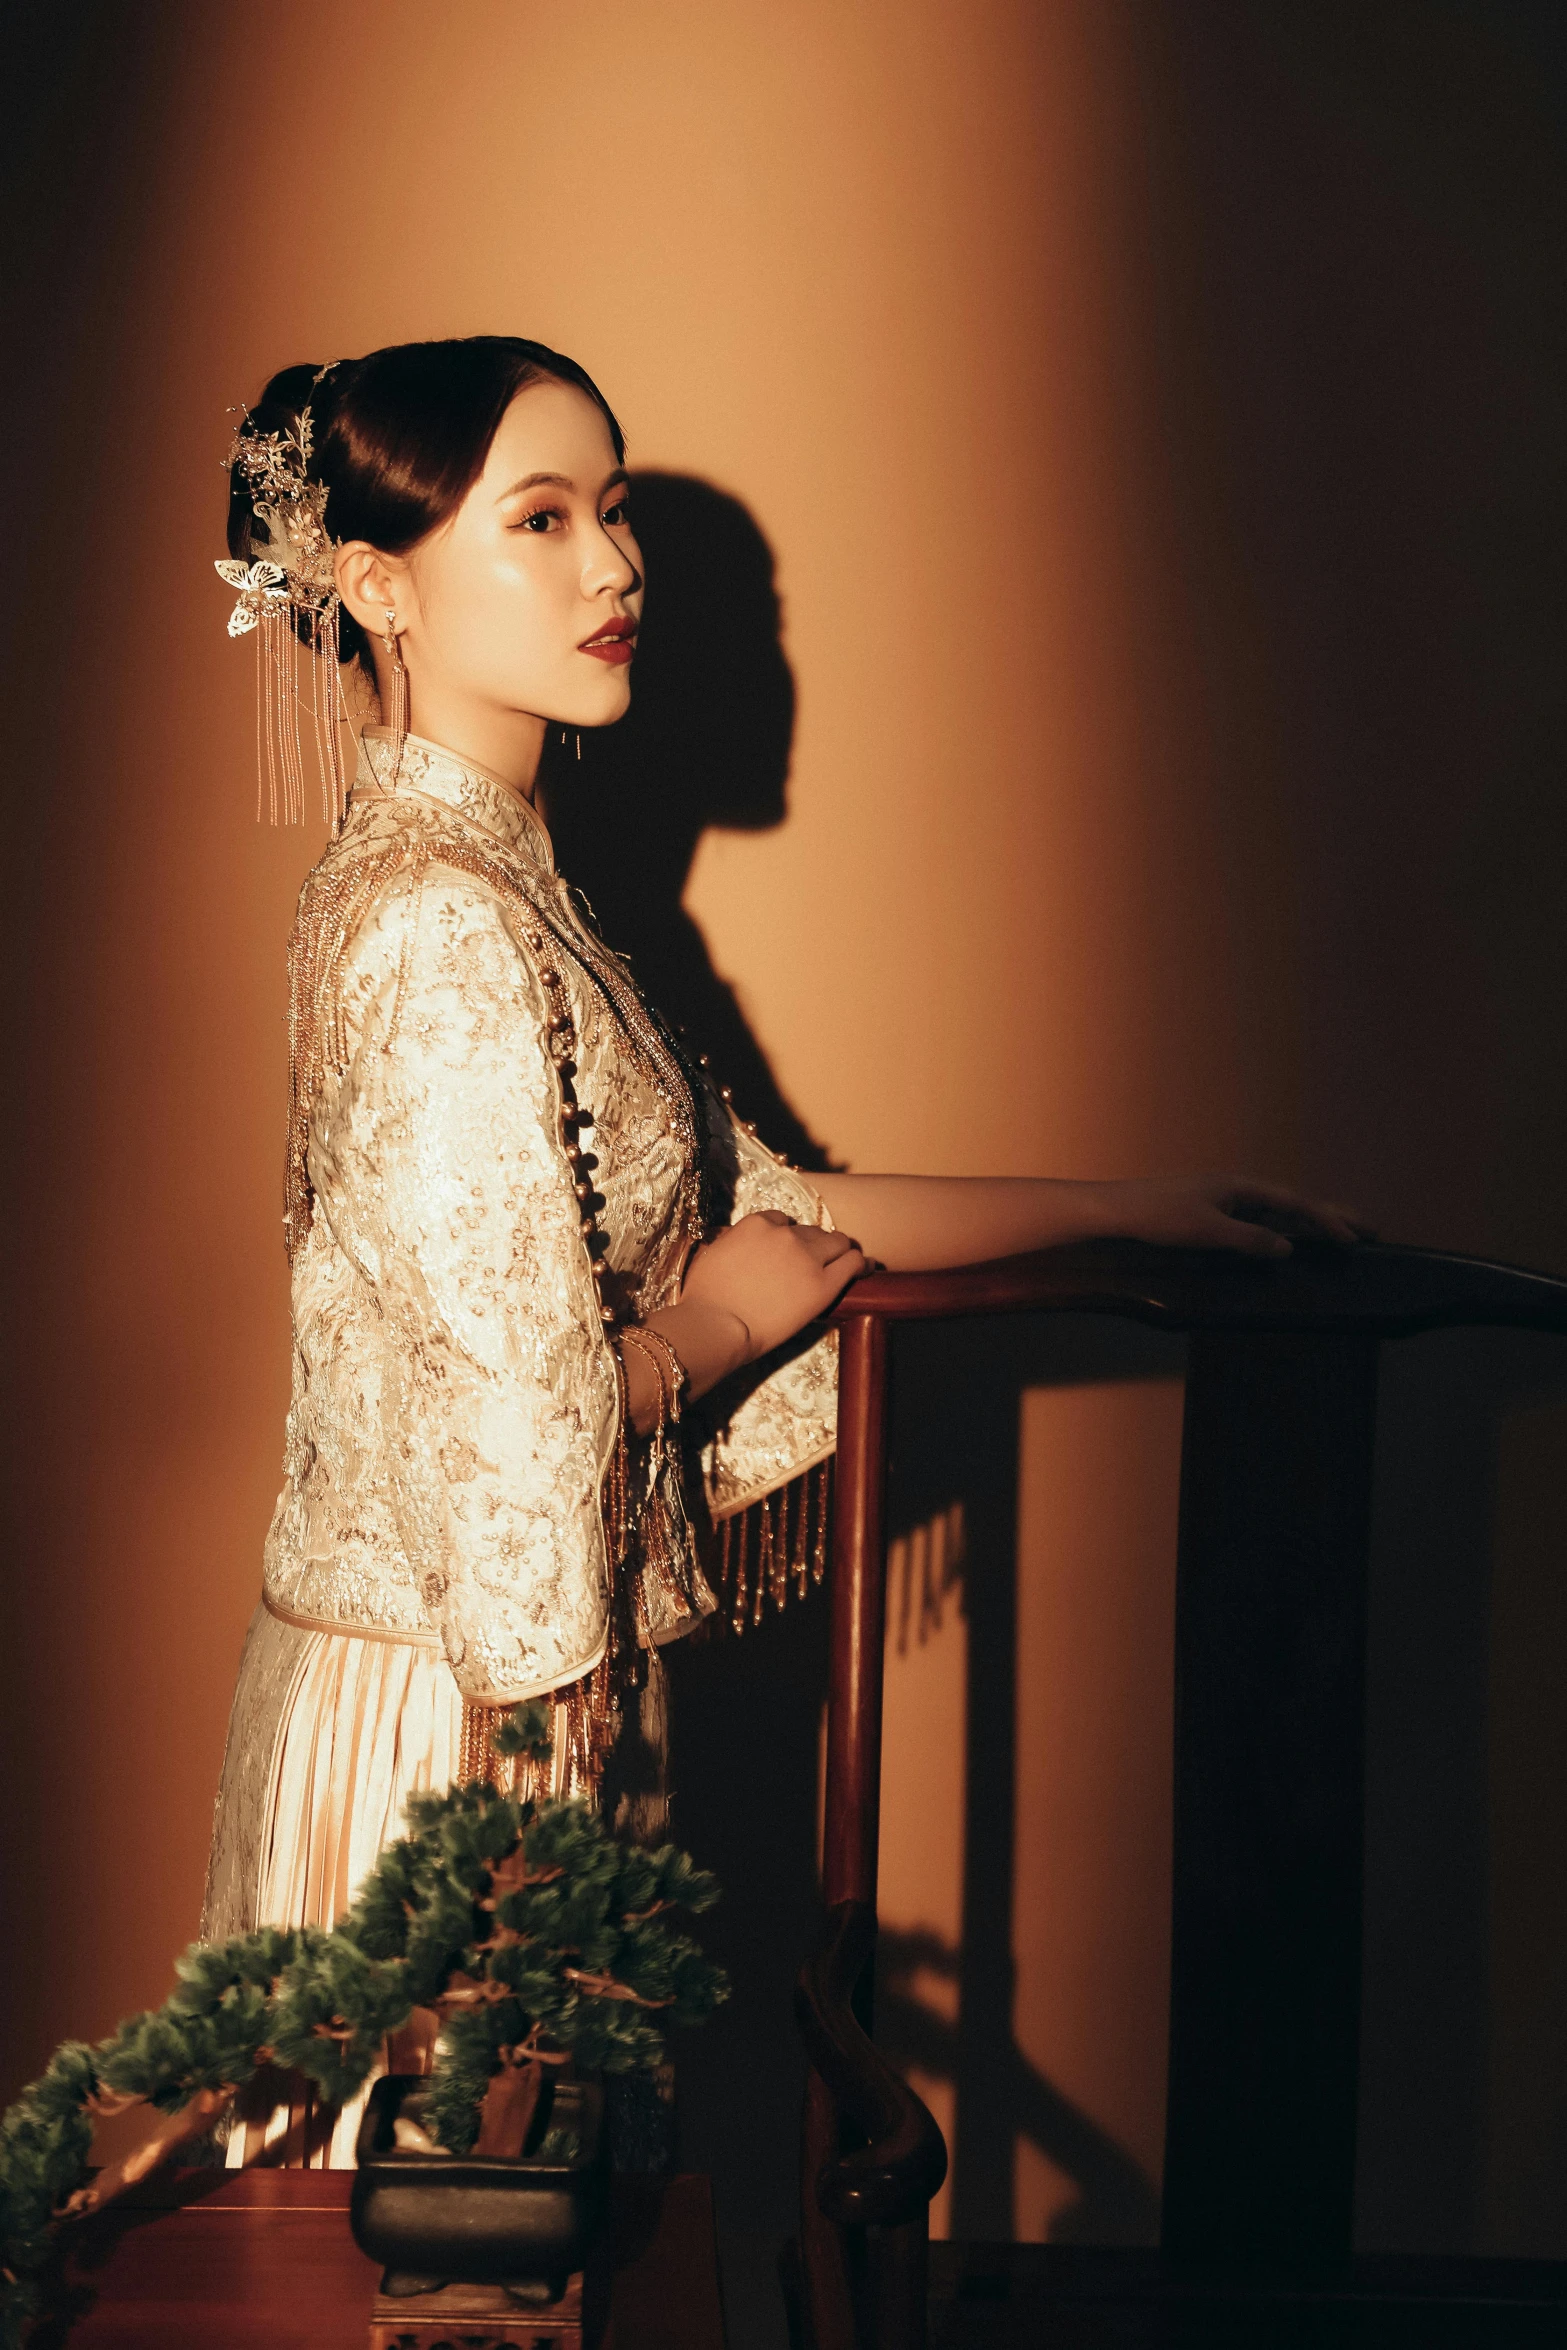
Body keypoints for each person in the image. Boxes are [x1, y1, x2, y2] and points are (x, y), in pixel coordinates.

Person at [200, 335, 1360, 2165]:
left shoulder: (501, 882)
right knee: (452, 2244)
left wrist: (1131, 1205)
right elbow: (525, 1431)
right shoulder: (439, 918)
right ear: (372, 584)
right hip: (472, 1714)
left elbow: (771, 1196)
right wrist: (701, 1339)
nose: (615, 565)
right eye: (545, 517)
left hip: (504, 1680)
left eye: (621, 511)